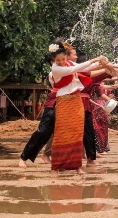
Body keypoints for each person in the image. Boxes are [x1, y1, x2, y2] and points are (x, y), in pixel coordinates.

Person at [49, 42, 103, 177]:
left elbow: (84, 69)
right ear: (53, 61)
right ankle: (55, 167)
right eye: (58, 60)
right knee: (62, 133)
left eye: (63, 59)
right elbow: (77, 68)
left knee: (77, 133)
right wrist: (95, 59)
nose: (61, 62)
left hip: (76, 101)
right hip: (63, 102)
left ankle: (77, 165)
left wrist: (100, 63)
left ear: (66, 57)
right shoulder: (56, 69)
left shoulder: (69, 64)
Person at [18, 55, 56, 168]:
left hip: (67, 105)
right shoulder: (54, 73)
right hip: (54, 105)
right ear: (53, 62)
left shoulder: (70, 68)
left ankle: (64, 161)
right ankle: (23, 157)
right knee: (42, 132)